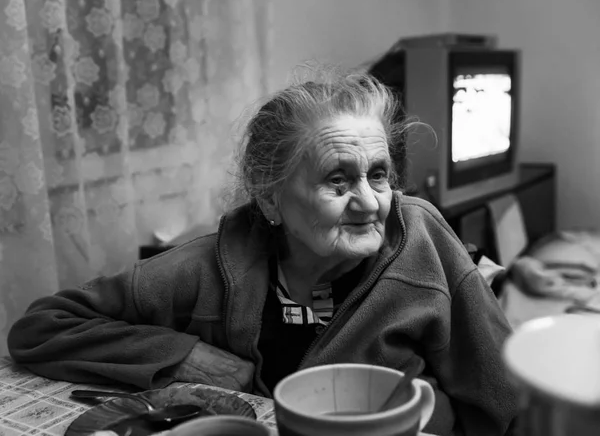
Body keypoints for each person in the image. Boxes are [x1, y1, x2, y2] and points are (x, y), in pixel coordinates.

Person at [7, 70, 518, 436]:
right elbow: (43, 327)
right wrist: (182, 356)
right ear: (270, 195)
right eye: (336, 180)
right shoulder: (209, 265)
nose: (369, 202)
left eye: (379, 174)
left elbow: (510, 402)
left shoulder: (420, 239)